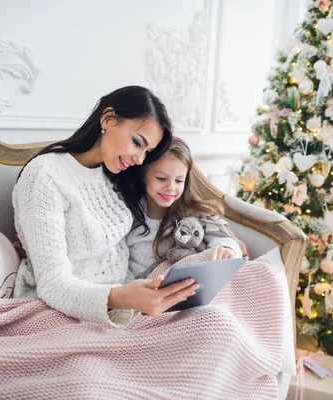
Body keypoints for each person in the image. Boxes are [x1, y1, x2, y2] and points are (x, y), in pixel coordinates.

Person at [12, 86, 199, 326]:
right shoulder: (45, 175)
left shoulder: (115, 174)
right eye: (137, 143)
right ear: (108, 119)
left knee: (218, 320)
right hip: (64, 311)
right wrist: (122, 298)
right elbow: (52, 284)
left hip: (127, 300)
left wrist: (224, 236)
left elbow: (173, 193)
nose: (139, 159)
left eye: (147, 151)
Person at [125, 137, 243, 281]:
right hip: (143, 291)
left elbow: (223, 239)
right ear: (143, 175)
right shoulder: (127, 214)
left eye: (179, 180)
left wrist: (228, 250)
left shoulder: (192, 213)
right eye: (161, 178)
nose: (171, 187)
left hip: (188, 287)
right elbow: (121, 265)